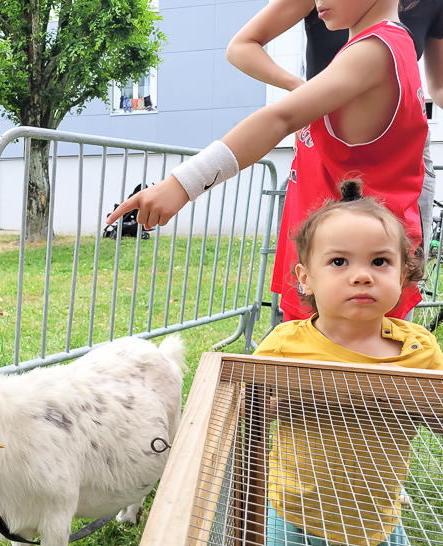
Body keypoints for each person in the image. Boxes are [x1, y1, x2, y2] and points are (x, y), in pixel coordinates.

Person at [106, 0, 429, 321]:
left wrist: (183, 184)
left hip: (347, 281)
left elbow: (280, 118)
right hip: (344, 267)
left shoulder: (375, 50)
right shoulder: (388, 46)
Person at [254, 179, 443, 546]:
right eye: (339, 262)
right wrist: (287, 403)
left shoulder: (419, 349)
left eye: (380, 261)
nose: (362, 275)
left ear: (404, 274)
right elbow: (252, 410)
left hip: (377, 525)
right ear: (305, 278)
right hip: (293, 520)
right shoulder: (283, 344)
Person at [225, 0, 443, 305]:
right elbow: (242, 47)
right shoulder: (368, 32)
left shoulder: (393, 35)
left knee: (380, 271)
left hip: (390, 143)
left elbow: (439, 86)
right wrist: (305, 93)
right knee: (314, 270)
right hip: (322, 137)